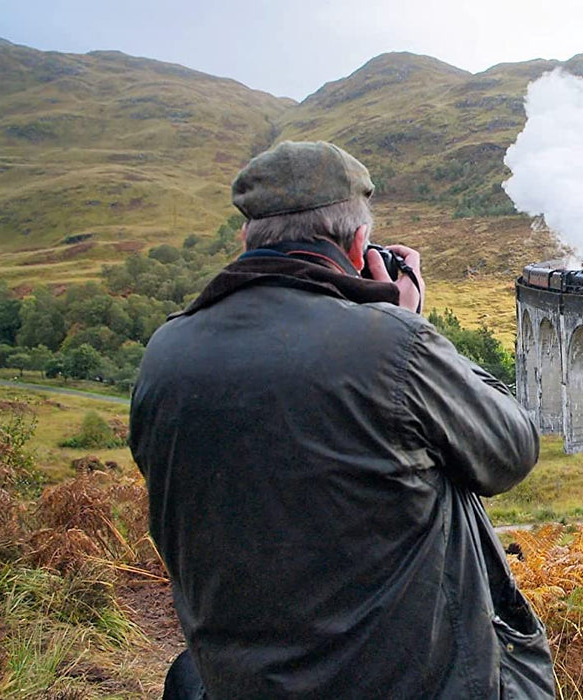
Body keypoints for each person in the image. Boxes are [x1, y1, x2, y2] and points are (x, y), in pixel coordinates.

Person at [129, 141, 556, 699]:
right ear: (359, 244)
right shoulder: (391, 345)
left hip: (238, 682)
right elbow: (511, 449)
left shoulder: (165, 352)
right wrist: (409, 325)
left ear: (244, 240)